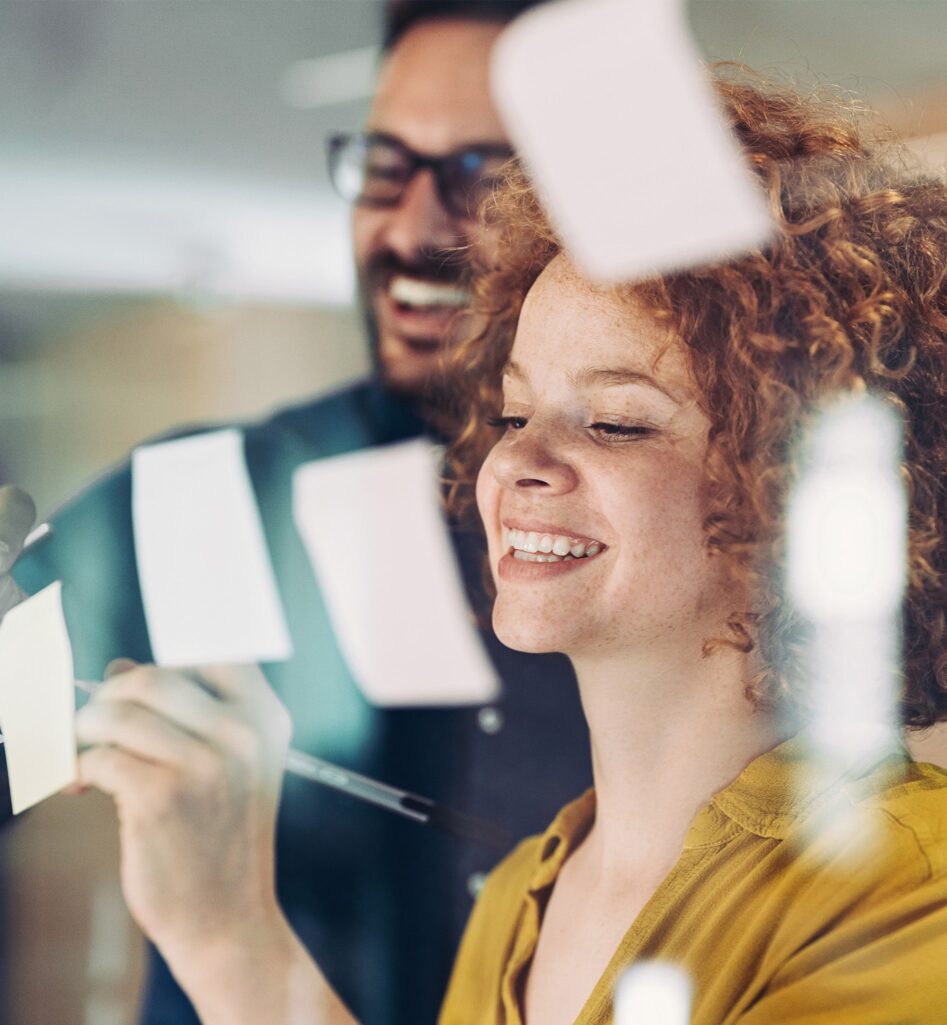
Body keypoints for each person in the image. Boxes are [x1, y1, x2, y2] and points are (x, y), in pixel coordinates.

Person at [71, 69, 947, 1023]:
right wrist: (220, 926)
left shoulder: (905, 896)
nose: (515, 459)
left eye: (617, 423)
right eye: (513, 409)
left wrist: (231, 942)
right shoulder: (527, 891)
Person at [0, 4, 593, 1025]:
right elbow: (13, 728)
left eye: (480, 176)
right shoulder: (200, 501)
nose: (413, 229)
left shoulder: (691, 527)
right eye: (385, 165)